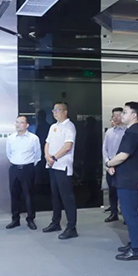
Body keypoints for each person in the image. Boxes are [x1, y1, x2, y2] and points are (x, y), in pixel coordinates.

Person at [106, 102, 138, 261]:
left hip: (129, 179)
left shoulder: (133, 132)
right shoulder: (132, 131)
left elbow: (123, 155)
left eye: (125, 112)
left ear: (134, 115)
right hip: (126, 177)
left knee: (130, 215)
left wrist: (109, 163)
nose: (122, 115)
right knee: (129, 214)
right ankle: (133, 243)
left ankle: (136, 249)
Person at [43, 102, 78, 240]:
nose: (55, 113)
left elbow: (68, 146)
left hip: (63, 166)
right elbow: (47, 143)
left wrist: (54, 157)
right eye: (53, 110)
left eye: (57, 110)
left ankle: (71, 227)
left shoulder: (69, 126)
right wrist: (47, 156)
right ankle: (55, 222)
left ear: (65, 112)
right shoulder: (53, 126)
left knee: (67, 197)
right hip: (52, 166)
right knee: (55, 196)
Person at [6, 115, 42, 230]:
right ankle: (15, 219)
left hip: (28, 169)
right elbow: (8, 154)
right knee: (14, 194)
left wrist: (28, 165)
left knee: (29, 195)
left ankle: (30, 219)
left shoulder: (33, 138)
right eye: (17, 122)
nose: (18, 125)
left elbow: (37, 155)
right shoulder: (11, 138)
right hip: (14, 169)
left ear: (27, 125)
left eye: (21, 122)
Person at [102, 107, 126, 222]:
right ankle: (113, 212)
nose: (116, 118)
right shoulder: (109, 132)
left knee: (124, 193)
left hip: (123, 165)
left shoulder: (127, 131)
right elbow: (104, 149)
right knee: (112, 192)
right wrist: (108, 163)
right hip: (110, 166)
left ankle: (126, 215)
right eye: (114, 116)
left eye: (118, 115)